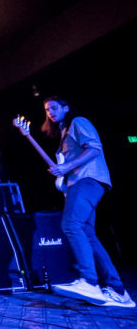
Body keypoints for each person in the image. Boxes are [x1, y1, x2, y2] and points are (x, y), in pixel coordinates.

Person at [41, 96, 134, 308]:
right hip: (78, 183)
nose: (50, 113)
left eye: (54, 107)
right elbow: (67, 165)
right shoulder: (64, 133)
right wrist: (63, 176)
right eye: (47, 110)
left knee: (71, 224)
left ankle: (89, 281)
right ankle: (118, 291)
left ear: (66, 107)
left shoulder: (79, 122)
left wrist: (67, 167)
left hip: (88, 180)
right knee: (87, 233)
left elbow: (94, 148)